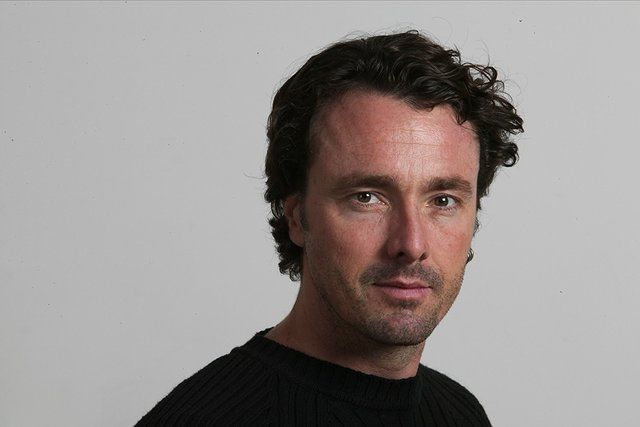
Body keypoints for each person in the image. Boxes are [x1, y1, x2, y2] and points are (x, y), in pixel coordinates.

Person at [137, 30, 523, 426]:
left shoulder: (459, 413)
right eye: (367, 197)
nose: (411, 243)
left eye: (443, 201)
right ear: (296, 217)